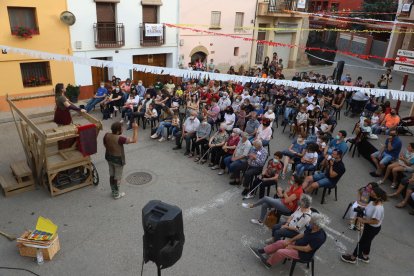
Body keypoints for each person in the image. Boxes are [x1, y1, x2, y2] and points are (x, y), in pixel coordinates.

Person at [249, 213, 328, 269]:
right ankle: (261, 251)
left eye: (311, 223)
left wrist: (292, 246)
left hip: (303, 254)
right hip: (299, 244)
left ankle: (268, 263)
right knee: (280, 242)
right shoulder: (312, 228)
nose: (309, 223)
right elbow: (302, 234)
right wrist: (290, 240)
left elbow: (306, 249)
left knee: (281, 252)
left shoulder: (319, 237)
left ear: (316, 226)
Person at [341, 186, 387, 264]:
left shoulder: (378, 208)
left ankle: (353, 258)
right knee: (367, 241)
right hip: (369, 226)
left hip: (372, 228)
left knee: (362, 242)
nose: (371, 193)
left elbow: (375, 221)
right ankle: (365, 256)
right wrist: (361, 210)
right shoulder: (372, 201)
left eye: (373, 193)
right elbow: (367, 209)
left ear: (377, 196)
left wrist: (363, 221)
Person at [103, 122, 138, 199]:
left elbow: (105, 144)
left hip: (109, 157)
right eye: (122, 128)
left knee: (112, 175)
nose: (123, 129)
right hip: (117, 160)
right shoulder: (120, 138)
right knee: (117, 177)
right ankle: (116, 194)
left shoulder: (106, 135)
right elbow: (134, 140)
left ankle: (113, 190)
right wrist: (135, 129)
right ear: (118, 130)